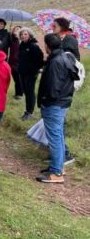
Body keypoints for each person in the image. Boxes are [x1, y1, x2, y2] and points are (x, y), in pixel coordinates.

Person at [35, 33, 79, 184]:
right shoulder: (67, 57)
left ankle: (56, 173)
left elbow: (53, 88)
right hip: (63, 103)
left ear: (47, 45)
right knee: (58, 136)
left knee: (54, 138)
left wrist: (46, 101)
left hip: (54, 104)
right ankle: (58, 167)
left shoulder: (55, 62)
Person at [51, 17, 80, 164]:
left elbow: (67, 62)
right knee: (57, 121)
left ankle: (65, 154)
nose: (52, 27)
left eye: (54, 25)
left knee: (59, 120)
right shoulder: (61, 38)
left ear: (62, 26)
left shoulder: (69, 40)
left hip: (64, 86)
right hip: (60, 84)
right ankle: (59, 153)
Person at [17, 27, 44, 121]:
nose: (23, 36)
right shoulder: (21, 45)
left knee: (30, 92)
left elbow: (40, 59)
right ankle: (27, 111)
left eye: (25, 34)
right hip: (22, 72)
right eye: (21, 34)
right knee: (25, 92)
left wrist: (35, 69)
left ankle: (30, 112)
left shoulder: (33, 46)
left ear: (30, 35)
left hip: (31, 73)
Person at [8, 25, 23, 99]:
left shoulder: (22, 40)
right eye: (15, 29)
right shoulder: (11, 39)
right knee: (15, 78)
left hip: (19, 62)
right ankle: (18, 93)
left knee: (18, 78)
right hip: (11, 62)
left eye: (18, 29)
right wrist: (10, 33)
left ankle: (19, 94)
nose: (16, 30)